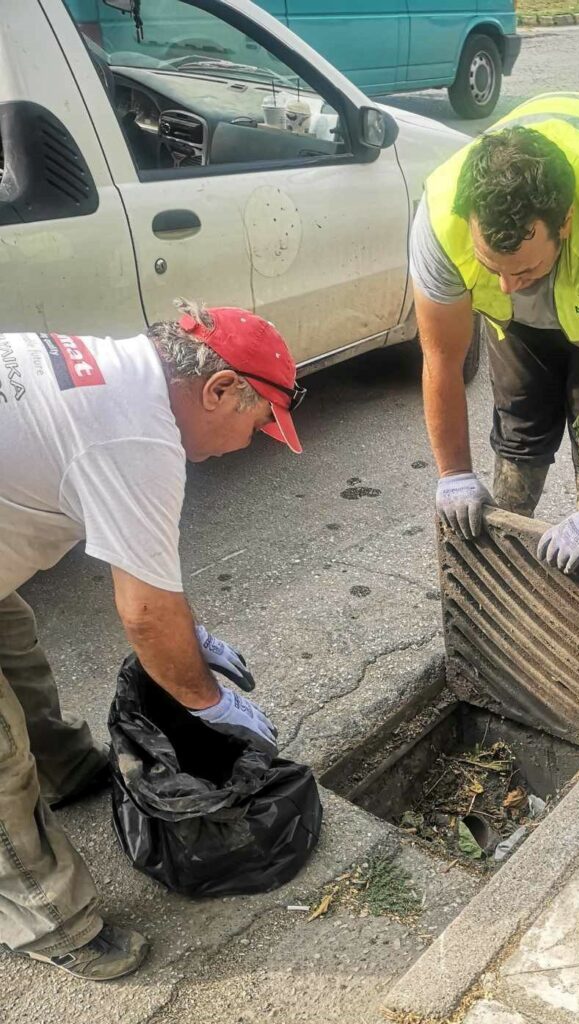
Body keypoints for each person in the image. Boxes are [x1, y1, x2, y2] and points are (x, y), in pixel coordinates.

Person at [0, 301, 305, 981]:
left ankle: (67, 770)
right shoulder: (136, 437)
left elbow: (146, 584)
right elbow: (143, 614)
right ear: (219, 389)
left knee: (13, 642)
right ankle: (54, 925)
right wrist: (207, 706)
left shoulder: (120, 376)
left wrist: (185, 635)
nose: (252, 441)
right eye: (258, 423)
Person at [412, 92, 579, 573]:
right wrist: (453, 474)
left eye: (525, 271)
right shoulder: (441, 215)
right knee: (521, 419)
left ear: (565, 223)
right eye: (493, 267)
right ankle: (506, 569)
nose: (507, 286)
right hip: (528, 312)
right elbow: (441, 359)